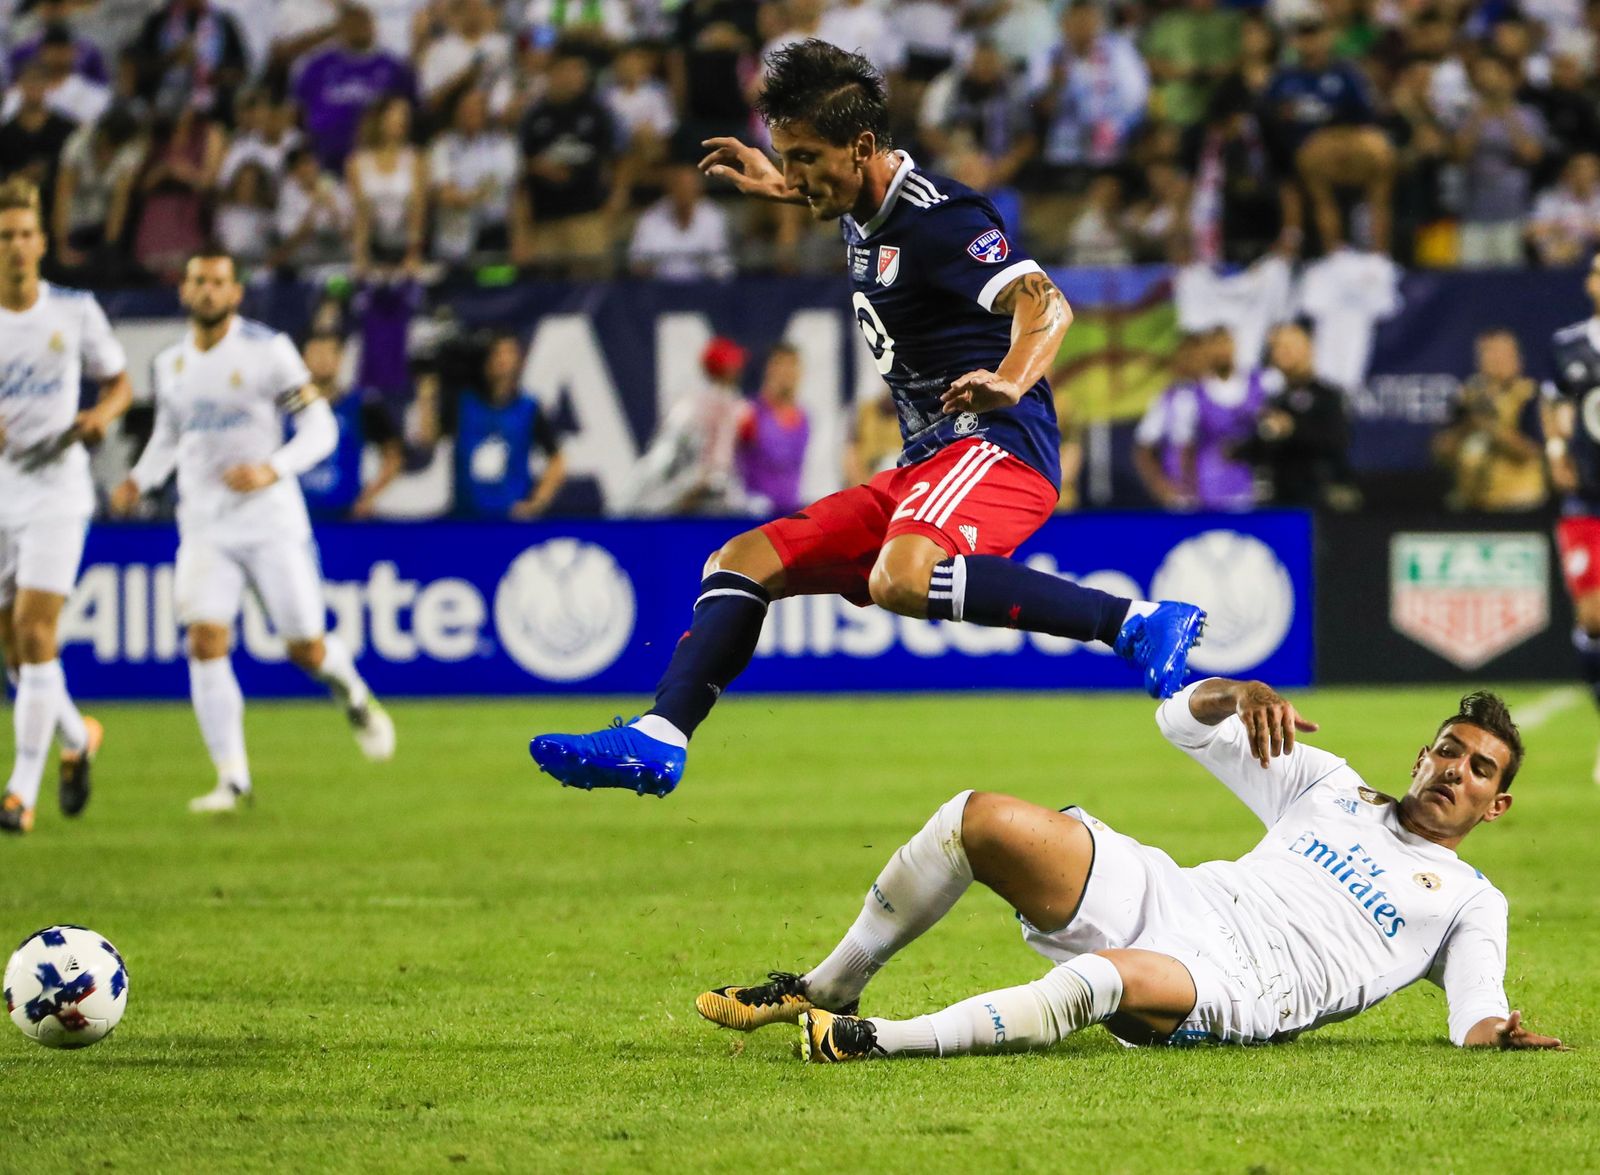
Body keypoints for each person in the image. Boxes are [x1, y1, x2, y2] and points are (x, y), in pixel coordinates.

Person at [530, 41, 1206, 798]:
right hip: (929, 460)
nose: (792, 173)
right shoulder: (857, 198)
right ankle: (659, 737)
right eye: (784, 155)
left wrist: (1010, 381)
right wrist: (778, 184)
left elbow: (1047, 302)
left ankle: (1135, 622)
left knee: (902, 577)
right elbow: (840, 198)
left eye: (803, 157)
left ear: (860, 147)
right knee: (740, 560)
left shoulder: (941, 218)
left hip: (999, 446)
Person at [697, 678, 1565, 1060]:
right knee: (975, 818)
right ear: (1422, 755)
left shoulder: (1469, 901)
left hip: (1245, 981)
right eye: (1449, 751)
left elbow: (1474, 1015)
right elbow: (1175, 722)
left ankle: (881, 1040)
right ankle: (829, 986)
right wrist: (1235, 690)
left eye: (1480, 769)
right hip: (1180, 892)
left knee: (1100, 979)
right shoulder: (1328, 783)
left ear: (1496, 806)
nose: (1456, 770)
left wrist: (1501, 1035)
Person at [109, 248, 395, 815]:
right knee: (204, 640)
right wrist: (139, 480)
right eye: (198, 281)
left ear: (236, 293)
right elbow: (170, 435)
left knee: (305, 648)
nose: (209, 290)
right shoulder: (171, 365)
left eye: (219, 281)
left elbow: (318, 426)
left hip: (270, 522)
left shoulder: (267, 351)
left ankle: (356, 697)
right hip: (205, 524)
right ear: (185, 290)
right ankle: (232, 780)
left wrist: (273, 468)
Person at [0, 178, 132, 835]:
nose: (18, 247)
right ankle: (78, 736)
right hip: (1, 490)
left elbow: (120, 381)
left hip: (57, 486)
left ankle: (19, 790)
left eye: (26, 235)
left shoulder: (74, 310)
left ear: (42, 243)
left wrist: (101, 416)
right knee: (15, 654)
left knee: (34, 630)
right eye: (6, 237)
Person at [1544, 253, 1600, 783]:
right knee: (1593, 618)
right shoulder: (1569, 345)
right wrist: (1558, 448)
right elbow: (1553, 401)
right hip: (1588, 498)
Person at [613, 334, 747, 517]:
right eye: (733, 365)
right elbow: (664, 457)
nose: (738, 369)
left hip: (715, 491)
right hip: (688, 488)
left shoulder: (731, 402)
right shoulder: (694, 405)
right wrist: (692, 483)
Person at [1234, 322, 1352, 508]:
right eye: (1278, 347)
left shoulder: (1326, 396)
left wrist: (1292, 428)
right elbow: (1256, 448)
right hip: (1272, 501)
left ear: (1308, 350)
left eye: (1289, 347)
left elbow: (1337, 440)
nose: (1283, 353)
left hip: (1315, 503)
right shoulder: (1268, 396)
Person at [452, 330, 566, 519]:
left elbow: (557, 460)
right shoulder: (464, 403)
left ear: (519, 361)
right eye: (497, 353)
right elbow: (426, 440)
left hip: (510, 518)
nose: (502, 360)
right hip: (466, 518)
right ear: (486, 361)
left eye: (509, 353)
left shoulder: (528, 408)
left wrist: (537, 503)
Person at [1433, 328, 1545, 512]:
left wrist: (1490, 426)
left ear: (1517, 358)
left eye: (1502, 354)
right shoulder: (1467, 396)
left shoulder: (1528, 395)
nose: (1495, 361)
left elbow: (1532, 451)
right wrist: (1467, 424)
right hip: (1471, 505)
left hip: (1519, 505)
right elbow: (1440, 452)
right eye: (1488, 353)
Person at [296, 331, 404, 520]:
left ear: (340, 358)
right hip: (296, 517)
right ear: (303, 359)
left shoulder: (360, 405)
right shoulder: (282, 409)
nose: (322, 360)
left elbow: (393, 455)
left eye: (329, 353)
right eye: (316, 353)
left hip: (344, 517)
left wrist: (368, 498)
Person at [736, 341, 809, 517]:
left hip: (790, 517)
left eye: (792, 365)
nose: (787, 373)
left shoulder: (805, 418)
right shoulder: (748, 413)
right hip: (752, 519)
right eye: (780, 365)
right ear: (769, 370)